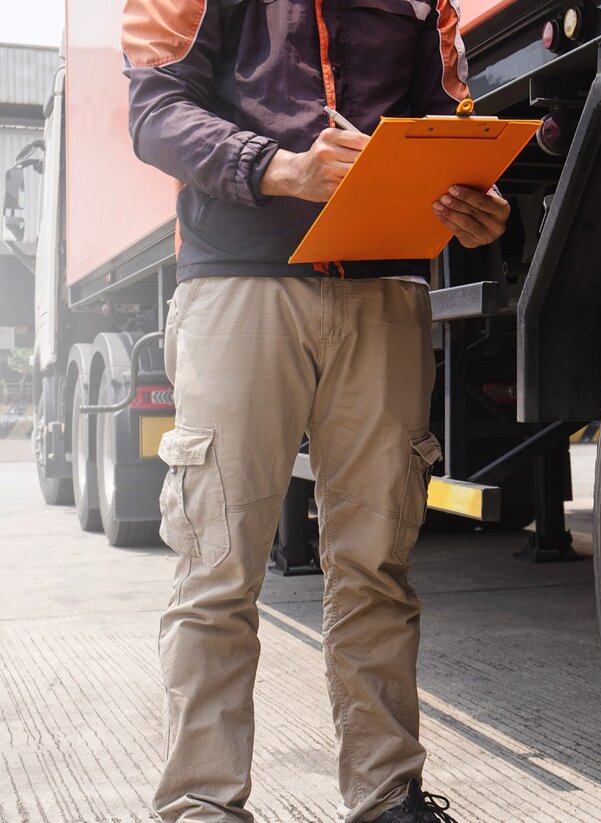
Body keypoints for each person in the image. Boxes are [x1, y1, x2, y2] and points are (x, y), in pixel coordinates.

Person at [121, 1, 508, 821]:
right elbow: (155, 112)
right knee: (219, 566)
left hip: (384, 287)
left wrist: (476, 203)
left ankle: (386, 793)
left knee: (376, 563)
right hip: (239, 287)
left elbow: (446, 125)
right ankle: (202, 800)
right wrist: (280, 167)